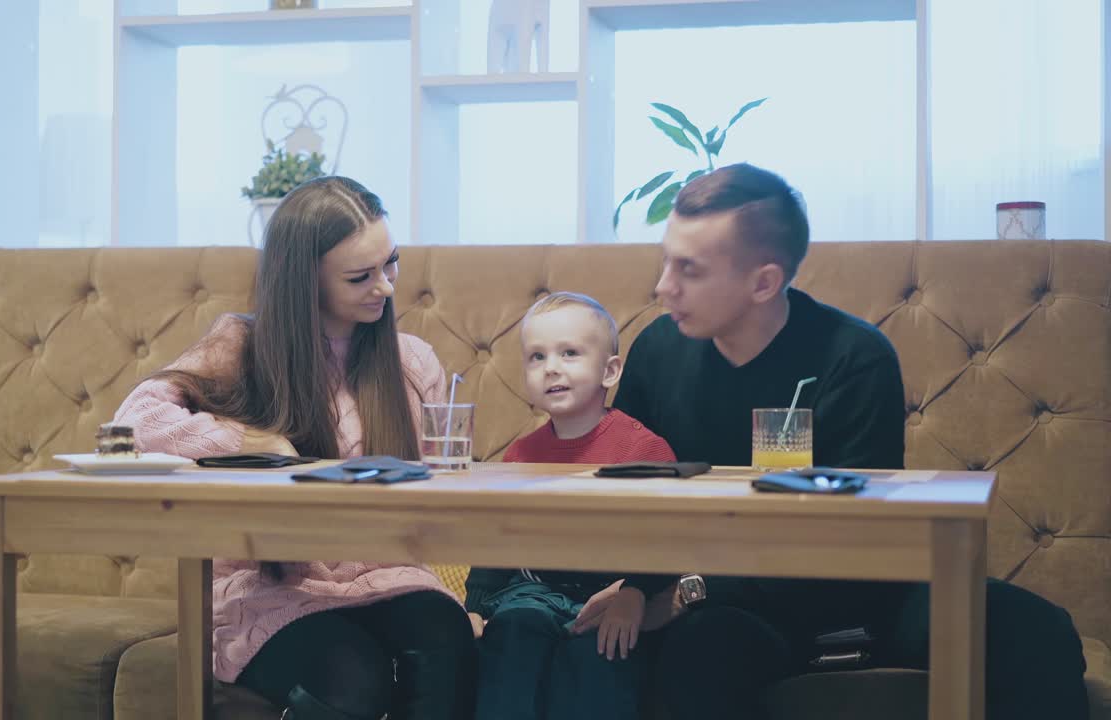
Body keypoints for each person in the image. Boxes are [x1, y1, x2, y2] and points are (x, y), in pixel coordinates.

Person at [613, 163, 1089, 720]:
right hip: (738, 611)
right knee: (699, 655)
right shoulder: (657, 351)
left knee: (1038, 632)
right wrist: (634, 586)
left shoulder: (855, 357)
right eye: (667, 261)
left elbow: (843, 534)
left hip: (867, 591)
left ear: (764, 282)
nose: (663, 286)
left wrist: (691, 589)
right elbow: (630, 490)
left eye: (688, 269)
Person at [112, 176, 475, 720]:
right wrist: (255, 442)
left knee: (446, 635)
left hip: (385, 571)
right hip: (267, 584)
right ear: (306, 281)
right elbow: (134, 421)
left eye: (390, 264)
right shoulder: (241, 346)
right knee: (355, 675)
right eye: (361, 276)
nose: (386, 287)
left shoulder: (411, 361)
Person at [467, 292, 676, 720]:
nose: (552, 368)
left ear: (610, 371)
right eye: (537, 357)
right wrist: (474, 604)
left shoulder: (644, 449)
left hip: (611, 593)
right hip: (532, 590)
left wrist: (637, 590)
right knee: (512, 633)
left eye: (569, 353)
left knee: (603, 663)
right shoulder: (521, 455)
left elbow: (667, 536)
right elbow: (496, 539)